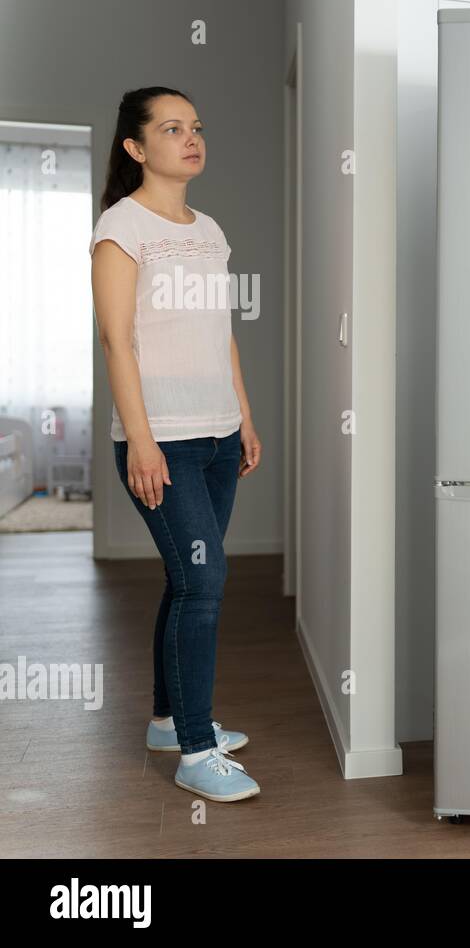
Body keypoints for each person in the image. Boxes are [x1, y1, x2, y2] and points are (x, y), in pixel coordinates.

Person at [90, 86, 262, 803]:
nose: (191, 138)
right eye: (171, 129)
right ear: (136, 147)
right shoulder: (120, 228)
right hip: (164, 444)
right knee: (204, 582)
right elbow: (117, 340)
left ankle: (168, 719)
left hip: (218, 437)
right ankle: (196, 751)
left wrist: (244, 419)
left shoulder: (209, 228)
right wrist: (141, 440)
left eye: (196, 126)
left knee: (188, 581)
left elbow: (217, 331)